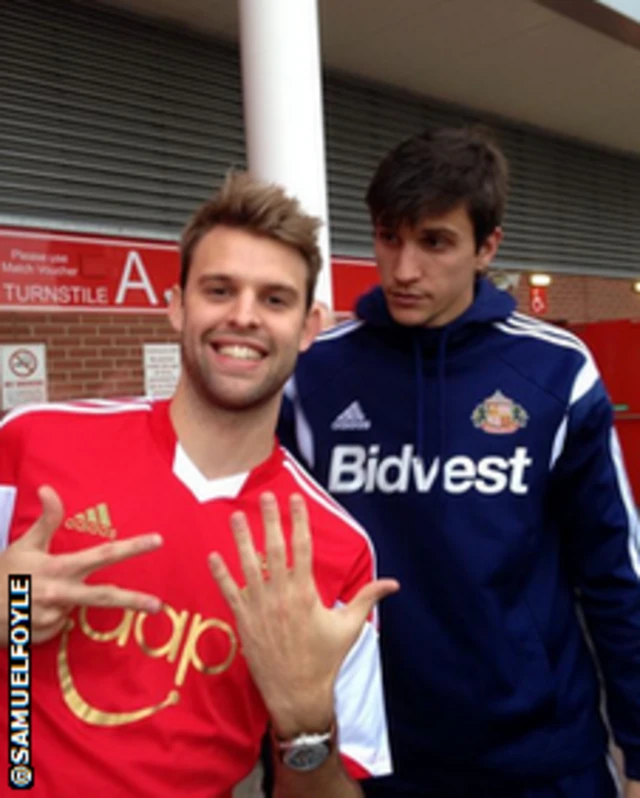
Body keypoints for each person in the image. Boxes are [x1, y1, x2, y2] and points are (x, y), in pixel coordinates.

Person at [0, 172, 398, 797]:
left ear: (309, 325)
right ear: (178, 303)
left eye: (274, 299)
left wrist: (303, 724)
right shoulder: (31, 442)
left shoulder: (336, 551)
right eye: (219, 289)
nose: (243, 316)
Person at [278, 127, 640, 797]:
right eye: (389, 236)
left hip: (541, 761)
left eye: (435, 241)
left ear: (487, 247)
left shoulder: (556, 372)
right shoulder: (316, 374)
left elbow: (616, 577)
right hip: (372, 760)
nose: (403, 269)